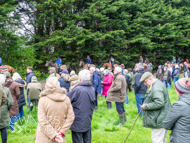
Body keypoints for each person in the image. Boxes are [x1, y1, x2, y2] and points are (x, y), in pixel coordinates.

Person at [35, 77, 74, 143]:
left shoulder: (43, 100)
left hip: (44, 137)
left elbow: (42, 120)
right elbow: (71, 117)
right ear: (58, 85)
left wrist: (54, 135)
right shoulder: (66, 99)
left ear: (47, 86)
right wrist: (61, 132)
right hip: (60, 137)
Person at [140, 72, 171, 143]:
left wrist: (146, 106)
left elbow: (159, 103)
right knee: (162, 139)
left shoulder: (156, 87)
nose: (145, 84)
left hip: (159, 119)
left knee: (157, 140)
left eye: (145, 82)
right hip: (163, 116)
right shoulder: (159, 83)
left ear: (150, 79)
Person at [67, 69, 95, 143]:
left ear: (79, 79)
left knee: (77, 140)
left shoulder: (77, 89)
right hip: (87, 119)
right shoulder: (92, 88)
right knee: (87, 140)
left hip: (78, 121)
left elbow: (66, 100)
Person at [163, 78, 190, 143]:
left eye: (175, 88)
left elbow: (166, 124)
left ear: (180, 90)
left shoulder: (179, 105)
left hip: (181, 139)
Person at [0, 74, 13, 143]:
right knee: (3, 127)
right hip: (4, 109)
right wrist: (7, 108)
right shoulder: (7, 90)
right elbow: (10, 102)